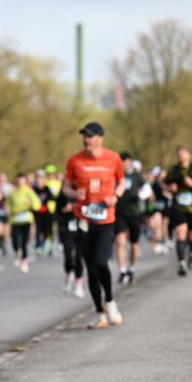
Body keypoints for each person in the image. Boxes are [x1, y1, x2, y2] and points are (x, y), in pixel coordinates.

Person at [63, 122, 125, 329]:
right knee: (90, 267)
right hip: (83, 218)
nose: (86, 140)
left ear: (100, 138)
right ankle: (100, 313)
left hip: (105, 218)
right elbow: (66, 187)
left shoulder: (113, 158)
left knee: (101, 261)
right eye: (84, 136)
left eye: (89, 136)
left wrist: (116, 196)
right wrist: (74, 194)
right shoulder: (75, 160)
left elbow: (122, 182)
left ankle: (110, 301)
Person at [164, 146, 192, 276]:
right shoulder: (173, 170)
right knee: (180, 234)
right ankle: (181, 263)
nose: (181, 155)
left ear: (189, 155)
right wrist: (169, 187)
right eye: (179, 153)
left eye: (183, 153)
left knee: (191, 236)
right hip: (178, 207)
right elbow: (164, 184)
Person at [114, 153, 148, 285]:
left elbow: (147, 189)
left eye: (126, 161)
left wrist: (139, 196)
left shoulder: (136, 175)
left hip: (134, 213)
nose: (123, 163)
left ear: (130, 162)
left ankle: (132, 268)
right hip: (119, 213)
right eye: (121, 161)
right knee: (120, 242)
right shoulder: (116, 174)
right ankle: (122, 271)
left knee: (134, 244)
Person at [55, 177, 86, 298]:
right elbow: (57, 212)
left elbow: (90, 208)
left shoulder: (84, 192)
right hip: (67, 228)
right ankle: (68, 275)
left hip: (81, 228)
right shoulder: (62, 194)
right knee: (68, 256)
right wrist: (64, 210)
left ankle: (79, 284)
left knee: (79, 257)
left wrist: (75, 207)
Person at [6, 172, 42, 273]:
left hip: (26, 218)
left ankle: (24, 261)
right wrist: (8, 209)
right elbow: (8, 204)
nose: (20, 182)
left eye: (22, 180)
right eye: (19, 180)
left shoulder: (28, 191)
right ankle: (18, 251)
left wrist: (31, 204)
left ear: (25, 181)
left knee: (24, 241)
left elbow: (37, 203)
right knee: (14, 240)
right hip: (15, 219)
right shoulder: (13, 192)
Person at [147, 166, 170, 254]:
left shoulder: (165, 182)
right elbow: (150, 195)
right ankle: (156, 244)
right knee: (157, 226)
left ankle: (162, 242)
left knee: (164, 225)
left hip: (165, 206)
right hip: (156, 208)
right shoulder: (153, 183)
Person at [0, 172, 12, 257]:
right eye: (0, 178)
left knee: (6, 231)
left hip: (6, 211)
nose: (1, 179)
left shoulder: (9, 187)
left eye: (3, 178)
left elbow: (12, 198)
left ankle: (4, 245)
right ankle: (0, 240)